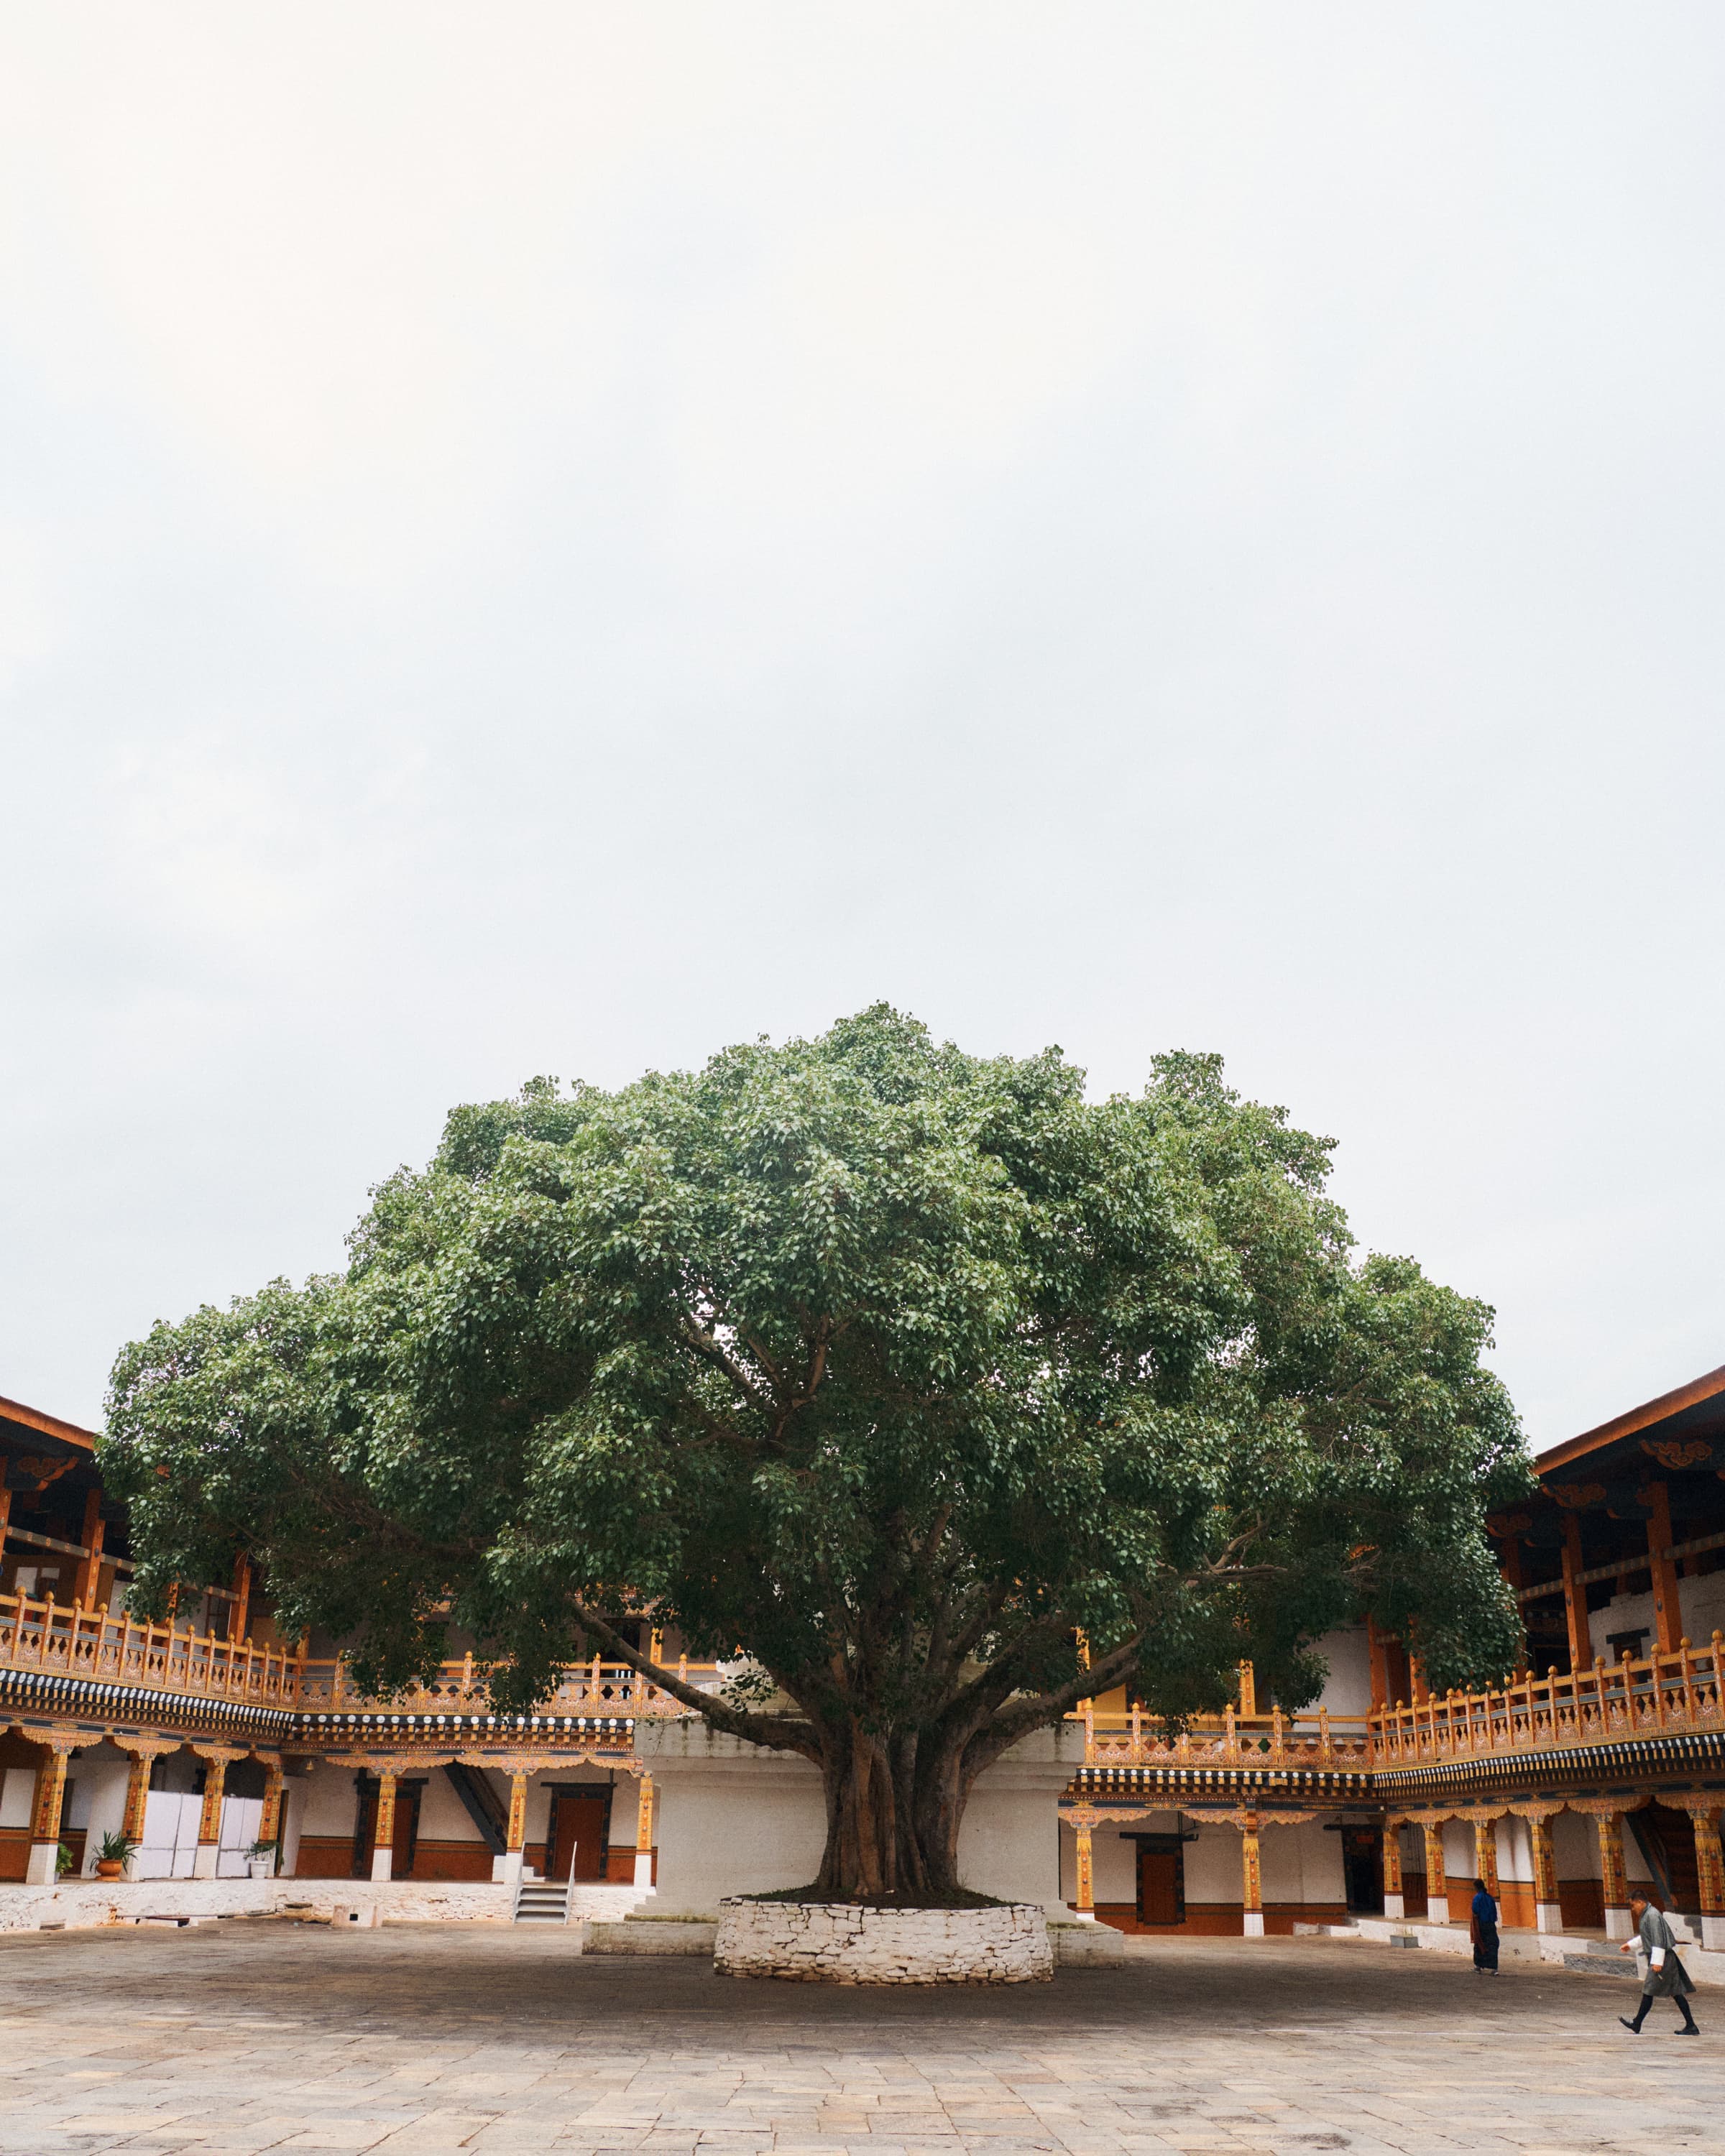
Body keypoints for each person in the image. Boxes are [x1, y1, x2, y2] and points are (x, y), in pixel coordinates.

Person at [1619, 1893, 1699, 2035]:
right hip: (1663, 1959)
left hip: (1664, 1959)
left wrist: (1657, 1962)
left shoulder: (1652, 1915)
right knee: (1676, 1992)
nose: (1633, 1909)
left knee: (1649, 1990)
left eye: (1633, 1905)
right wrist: (1630, 1945)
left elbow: (1658, 1939)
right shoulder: (1648, 1915)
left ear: (1640, 1902)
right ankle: (1691, 2025)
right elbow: (1646, 1936)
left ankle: (1637, 2023)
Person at [1469, 1877, 1500, 1976]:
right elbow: (1494, 1912)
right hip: (1491, 1925)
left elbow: (1475, 1910)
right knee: (1492, 1945)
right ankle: (1494, 1969)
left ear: (1476, 1887)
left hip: (1481, 1924)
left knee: (1479, 1944)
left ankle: (1478, 1967)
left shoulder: (1477, 1898)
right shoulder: (1490, 1898)